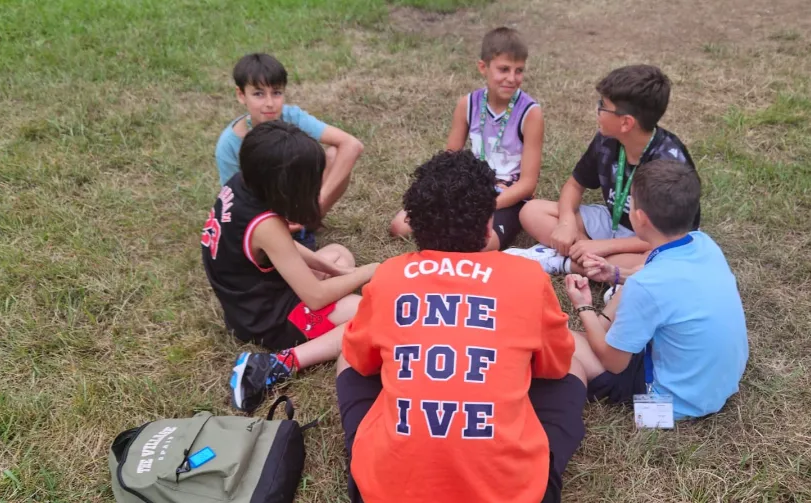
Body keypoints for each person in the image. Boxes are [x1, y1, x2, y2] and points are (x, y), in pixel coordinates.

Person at [340, 150, 586, 502]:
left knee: (348, 359)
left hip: (384, 493)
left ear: (413, 222)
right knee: (572, 369)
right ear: (489, 226)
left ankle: (377, 454)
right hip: (511, 494)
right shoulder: (528, 278)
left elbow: (361, 360)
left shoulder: (389, 276)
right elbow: (554, 366)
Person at [201, 121, 377, 413]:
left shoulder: (241, 183)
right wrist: (370, 271)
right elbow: (316, 297)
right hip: (264, 318)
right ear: (283, 183)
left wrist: (342, 274)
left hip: (245, 301)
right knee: (369, 314)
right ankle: (277, 364)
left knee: (338, 255)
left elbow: (284, 248)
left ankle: (334, 284)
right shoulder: (267, 225)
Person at [565, 159, 748, 420]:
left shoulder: (646, 286)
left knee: (560, 338)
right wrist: (616, 274)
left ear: (639, 217)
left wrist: (584, 307)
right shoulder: (703, 243)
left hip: (667, 405)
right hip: (719, 386)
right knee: (627, 295)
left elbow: (613, 363)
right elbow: (653, 277)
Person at [506, 65, 698, 274]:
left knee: (653, 265)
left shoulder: (668, 163)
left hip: (651, 238)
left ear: (626, 123)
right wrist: (567, 223)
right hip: (611, 222)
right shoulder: (607, 140)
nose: (597, 111)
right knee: (531, 211)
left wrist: (602, 246)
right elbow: (574, 185)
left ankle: (566, 261)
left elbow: (667, 236)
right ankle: (590, 259)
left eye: (603, 106)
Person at [389, 27, 544, 251]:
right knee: (399, 227)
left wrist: (485, 204)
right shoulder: (468, 104)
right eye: (504, 69)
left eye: (519, 70)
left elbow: (528, 184)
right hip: (471, 187)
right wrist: (449, 198)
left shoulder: (531, 113)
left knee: (480, 246)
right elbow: (450, 159)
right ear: (483, 67)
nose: (512, 78)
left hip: (508, 196)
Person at [215, 52, 364, 250]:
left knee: (335, 155)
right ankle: (286, 237)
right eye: (258, 93)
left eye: (276, 92)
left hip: (299, 205)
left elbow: (352, 145)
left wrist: (318, 203)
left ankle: (309, 223)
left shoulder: (291, 116)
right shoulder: (229, 144)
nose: (269, 103)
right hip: (262, 217)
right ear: (241, 95)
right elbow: (236, 202)